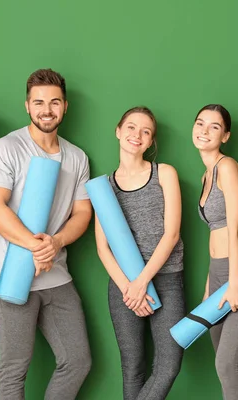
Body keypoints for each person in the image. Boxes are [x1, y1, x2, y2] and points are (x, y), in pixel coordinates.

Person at [0, 68, 92, 400]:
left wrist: (54, 243)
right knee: (15, 367)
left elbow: (83, 212)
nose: (47, 109)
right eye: (39, 102)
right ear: (27, 105)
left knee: (77, 361)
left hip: (55, 273)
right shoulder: (6, 148)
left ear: (65, 107)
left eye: (54, 102)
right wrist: (33, 245)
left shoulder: (77, 157)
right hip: (10, 274)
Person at [94, 106, 185, 400]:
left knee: (169, 364)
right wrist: (128, 288)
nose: (137, 135)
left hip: (166, 278)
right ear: (118, 131)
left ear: (150, 142)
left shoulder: (165, 173)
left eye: (146, 132)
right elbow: (102, 247)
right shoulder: (104, 186)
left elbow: (171, 234)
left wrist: (142, 282)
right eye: (131, 127)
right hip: (123, 285)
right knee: (132, 366)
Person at [194, 104, 238, 400]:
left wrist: (235, 283)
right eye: (200, 123)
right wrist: (209, 288)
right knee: (223, 365)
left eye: (214, 126)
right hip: (218, 274)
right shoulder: (205, 176)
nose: (204, 131)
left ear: (225, 135)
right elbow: (214, 238)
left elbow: (235, 228)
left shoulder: (227, 167)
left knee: (226, 364)